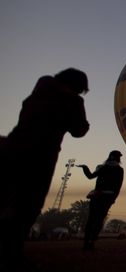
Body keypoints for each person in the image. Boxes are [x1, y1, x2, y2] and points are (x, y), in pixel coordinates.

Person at [0, 69, 90, 269]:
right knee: (28, 204)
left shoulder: (38, 93)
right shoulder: (73, 101)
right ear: (76, 87)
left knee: (5, 196)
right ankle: (11, 253)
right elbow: (79, 130)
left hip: (11, 147)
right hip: (41, 156)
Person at [79, 150, 124, 250]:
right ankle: (92, 240)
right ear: (119, 158)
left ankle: (87, 241)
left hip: (96, 196)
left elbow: (90, 176)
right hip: (108, 197)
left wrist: (85, 168)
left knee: (91, 218)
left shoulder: (102, 168)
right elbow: (118, 186)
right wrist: (113, 198)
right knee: (99, 219)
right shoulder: (119, 170)